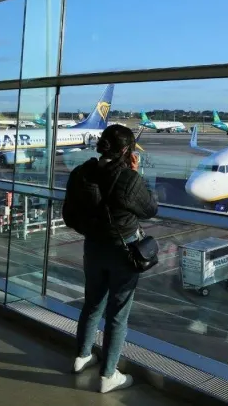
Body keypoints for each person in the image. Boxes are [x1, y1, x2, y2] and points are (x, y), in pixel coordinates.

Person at [63, 124, 158, 393]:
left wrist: (92, 230)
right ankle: (108, 374)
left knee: (92, 304)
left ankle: (82, 357)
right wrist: (136, 174)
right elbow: (150, 208)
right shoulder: (129, 179)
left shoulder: (81, 173)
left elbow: (69, 214)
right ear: (126, 150)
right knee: (117, 315)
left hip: (93, 248)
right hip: (123, 251)